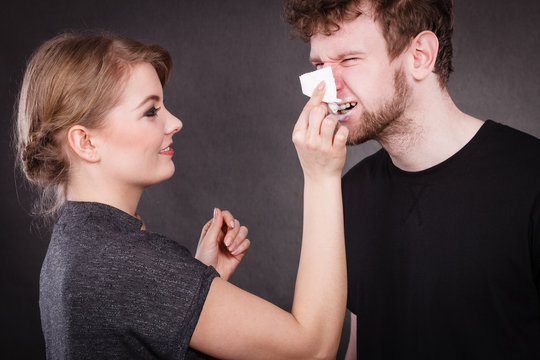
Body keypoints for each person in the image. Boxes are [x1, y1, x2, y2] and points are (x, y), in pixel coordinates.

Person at [15, 31, 349, 359]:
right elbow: (311, 349)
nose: (175, 122)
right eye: (150, 111)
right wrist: (321, 175)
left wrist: (195, 282)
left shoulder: (74, 243)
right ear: (86, 143)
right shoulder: (128, 264)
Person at [285, 0, 540, 359]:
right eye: (318, 65)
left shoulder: (530, 178)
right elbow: (361, 343)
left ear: (420, 55)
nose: (326, 89)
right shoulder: (350, 192)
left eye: (349, 60)